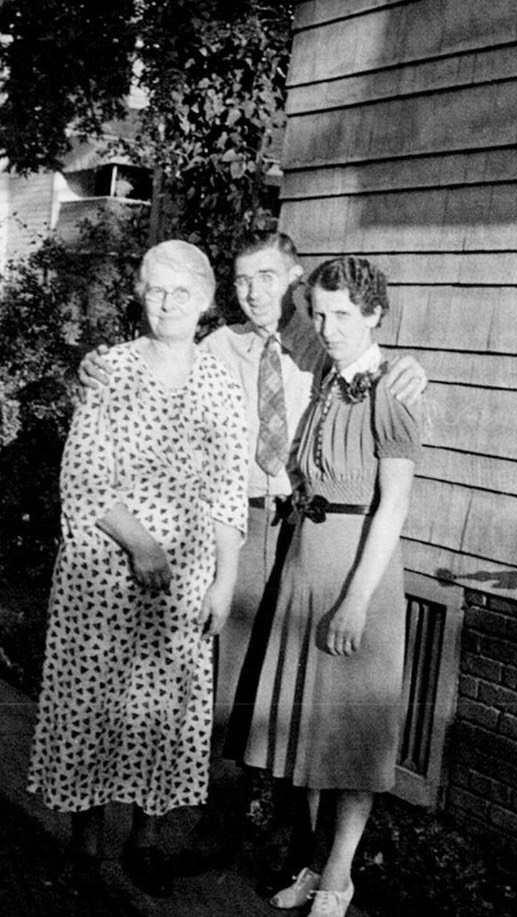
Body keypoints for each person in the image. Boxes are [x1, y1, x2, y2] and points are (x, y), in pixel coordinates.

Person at [79, 231, 427, 745]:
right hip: (243, 522)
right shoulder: (219, 346)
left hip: (307, 523)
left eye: (266, 277)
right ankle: (222, 801)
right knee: (233, 667)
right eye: (242, 281)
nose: (254, 292)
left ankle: (275, 809)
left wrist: (413, 370)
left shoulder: (324, 343)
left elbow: (375, 370)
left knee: (293, 672)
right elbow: (164, 367)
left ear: (294, 279)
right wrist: (94, 369)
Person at [27, 240, 248, 897]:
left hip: (185, 583)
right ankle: (86, 844)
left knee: (167, 710)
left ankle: (145, 842)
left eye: (182, 291)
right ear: (140, 295)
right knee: (90, 704)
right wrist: (141, 544)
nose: (168, 302)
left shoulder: (220, 384)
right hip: (103, 574)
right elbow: (84, 475)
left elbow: (229, 489)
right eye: (156, 289)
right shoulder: (114, 369)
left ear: (208, 300)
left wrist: (225, 579)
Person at [240, 254, 421, 917]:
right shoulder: (324, 379)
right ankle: (314, 864)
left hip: (358, 574)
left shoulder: (393, 391)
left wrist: (354, 599)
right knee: (307, 736)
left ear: (374, 312)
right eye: (319, 312)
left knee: (350, 742)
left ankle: (339, 878)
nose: (328, 325)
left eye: (343, 313)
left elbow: (394, 506)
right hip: (303, 562)